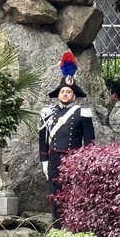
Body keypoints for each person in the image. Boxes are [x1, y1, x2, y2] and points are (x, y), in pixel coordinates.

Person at [39, 52, 95, 229]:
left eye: (68, 91)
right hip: (55, 158)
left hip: (74, 158)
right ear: (58, 94)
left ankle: (72, 226)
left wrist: (86, 161)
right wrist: (44, 161)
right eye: (62, 91)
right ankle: (57, 227)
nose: (65, 94)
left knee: (73, 192)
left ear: (74, 95)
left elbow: (90, 141)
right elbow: (43, 140)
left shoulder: (82, 113)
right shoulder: (48, 113)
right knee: (55, 193)